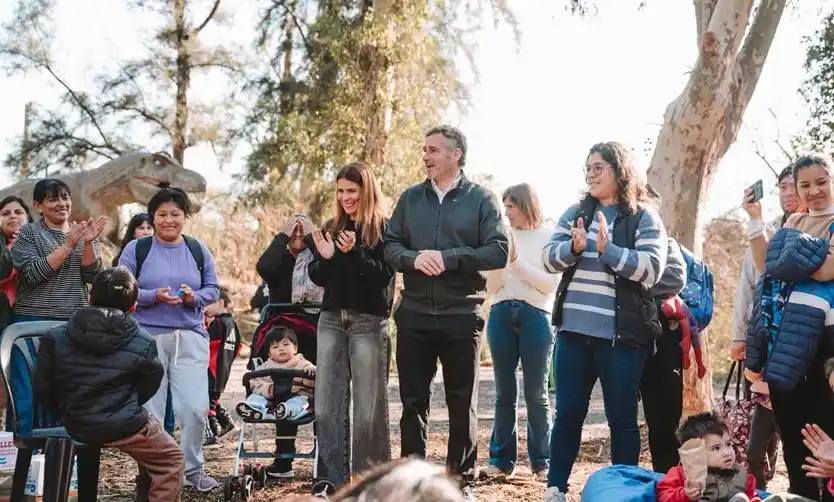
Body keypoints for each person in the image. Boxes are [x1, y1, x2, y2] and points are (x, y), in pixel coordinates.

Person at [384, 125, 509, 501]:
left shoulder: (482, 199)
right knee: (412, 403)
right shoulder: (409, 199)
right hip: (415, 315)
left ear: (456, 154)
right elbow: (390, 246)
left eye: (434, 150)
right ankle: (411, 482)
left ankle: (460, 482)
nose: (426, 156)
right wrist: (414, 259)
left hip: (461, 315)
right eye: (424, 150)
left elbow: (498, 250)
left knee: (461, 401)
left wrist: (449, 258)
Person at [541, 142, 668, 502]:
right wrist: (575, 249)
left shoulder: (643, 217)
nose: (591, 175)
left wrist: (608, 251)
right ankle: (556, 487)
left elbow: (651, 269)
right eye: (588, 168)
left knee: (622, 421)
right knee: (567, 415)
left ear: (620, 171)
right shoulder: (576, 212)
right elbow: (549, 260)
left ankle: (621, 491)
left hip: (623, 341)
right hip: (573, 337)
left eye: (599, 167)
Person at [33, 267, 185, 501]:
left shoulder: (56, 336)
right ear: (133, 306)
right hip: (125, 425)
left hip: (74, 420)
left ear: (90, 297)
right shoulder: (142, 340)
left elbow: (44, 386)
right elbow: (150, 381)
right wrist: (126, 404)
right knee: (170, 460)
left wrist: (66, 409)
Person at [118, 187, 220, 492]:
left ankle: (193, 470)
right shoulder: (137, 249)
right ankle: (152, 476)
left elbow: (213, 289)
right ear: (153, 217)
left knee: (195, 408)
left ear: (185, 217)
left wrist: (194, 297)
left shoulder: (198, 249)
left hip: (189, 338)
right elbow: (121, 286)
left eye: (176, 214)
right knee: (151, 413)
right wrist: (152, 296)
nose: (169, 220)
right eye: (162, 215)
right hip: (147, 339)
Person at [745, 154, 834, 501]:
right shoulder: (794, 221)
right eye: (805, 185)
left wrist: (786, 257)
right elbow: (765, 265)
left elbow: (828, 271)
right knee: (799, 455)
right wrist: (756, 222)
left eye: (821, 182)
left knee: (827, 444)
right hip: (788, 350)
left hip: (827, 347)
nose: (814, 191)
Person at [308, 162, 394, 488]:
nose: (345, 197)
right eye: (341, 191)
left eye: (352, 191)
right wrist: (328, 257)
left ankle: (371, 483)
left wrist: (354, 252)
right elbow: (317, 276)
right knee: (327, 406)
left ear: (366, 191)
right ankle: (331, 481)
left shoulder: (384, 229)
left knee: (368, 411)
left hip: (368, 322)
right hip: (331, 319)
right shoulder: (331, 225)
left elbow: (383, 276)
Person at [483, 183, 559, 480]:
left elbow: (549, 285)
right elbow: (491, 287)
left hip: (536, 317)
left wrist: (517, 264)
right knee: (505, 393)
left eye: (511, 207)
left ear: (526, 205)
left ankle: (542, 462)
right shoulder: (501, 238)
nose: (507, 214)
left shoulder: (549, 237)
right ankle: (501, 461)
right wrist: (504, 262)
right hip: (501, 315)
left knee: (536, 393)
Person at [732, 167, 797, 488]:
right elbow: (748, 287)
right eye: (782, 187)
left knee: (799, 431)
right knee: (758, 437)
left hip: (800, 345)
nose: (788, 193)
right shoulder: (765, 232)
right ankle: (759, 489)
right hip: (762, 344)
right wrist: (738, 335)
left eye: (792, 186)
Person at [255, 212, 323, 478]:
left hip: (314, 331)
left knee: (316, 393)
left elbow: (328, 271)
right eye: (292, 234)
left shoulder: (317, 257)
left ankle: (323, 458)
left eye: (301, 234)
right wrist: (281, 236)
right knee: (284, 389)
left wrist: (312, 240)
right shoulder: (279, 259)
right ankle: (283, 460)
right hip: (282, 333)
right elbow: (264, 268)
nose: (297, 238)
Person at [639, 185, 688, 474]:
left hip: (664, 340)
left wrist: (632, 279)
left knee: (665, 416)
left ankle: (669, 477)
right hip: (625, 339)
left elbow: (675, 278)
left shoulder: (668, 244)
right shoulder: (619, 246)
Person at [12, 179, 106, 322]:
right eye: (53, 199)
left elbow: (93, 278)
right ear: (38, 206)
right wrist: (68, 246)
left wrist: (88, 243)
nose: (62, 204)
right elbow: (31, 275)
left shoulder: (85, 232)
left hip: (75, 316)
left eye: (65, 197)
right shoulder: (28, 232)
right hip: (34, 315)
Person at [656, 413, 760, 502]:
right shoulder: (682, 474)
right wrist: (685, 494)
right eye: (716, 448)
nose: (726, 452)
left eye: (728, 444)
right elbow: (663, 497)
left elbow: (751, 495)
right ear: (695, 454)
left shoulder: (740, 475)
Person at [237, 326, 315, 420]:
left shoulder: (301, 363)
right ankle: (254, 408)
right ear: (269, 354)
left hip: (294, 395)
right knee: (256, 397)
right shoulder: (266, 366)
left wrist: (311, 370)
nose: (281, 349)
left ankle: (286, 411)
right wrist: (267, 389)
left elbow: (310, 374)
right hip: (270, 399)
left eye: (285, 344)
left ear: (295, 348)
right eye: (275, 347)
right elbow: (255, 381)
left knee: (300, 401)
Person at [0, 195, 31, 428]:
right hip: (4, 321)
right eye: (6, 213)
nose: (13, 216)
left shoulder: (39, 243)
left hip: (30, 321)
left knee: (24, 384)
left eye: (18, 212)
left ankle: (18, 436)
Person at [203, 285, 239, 445]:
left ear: (220, 302)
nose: (205, 307)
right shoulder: (232, 324)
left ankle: (211, 434)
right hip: (222, 370)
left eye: (208, 303)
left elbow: (204, 344)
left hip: (211, 369)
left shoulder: (218, 324)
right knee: (212, 399)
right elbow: (237, 347)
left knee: (206, 402)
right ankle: (226, 423)